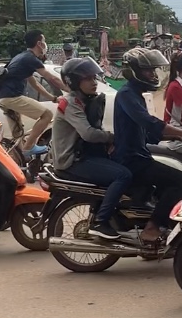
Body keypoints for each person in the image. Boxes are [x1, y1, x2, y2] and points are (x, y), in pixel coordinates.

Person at [112, 47, 182, 247]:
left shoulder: (136, 94)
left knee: (167, 183)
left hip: (140, 154)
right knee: (181, 182)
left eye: (153, 70)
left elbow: (150, 133)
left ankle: (161, 226)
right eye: (148, 71)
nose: (153, 75)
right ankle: (152, 228)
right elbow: (149, 122)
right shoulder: (126, 94)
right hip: (131, 159)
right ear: (134, 71)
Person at [51, 57, 132, 241]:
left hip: (84, 155)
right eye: (88, 79)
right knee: (122, 175)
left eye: (94, 78)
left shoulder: (85, 100)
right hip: (72, 160)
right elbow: (88, 134)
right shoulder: (70, 103)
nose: (94, 82)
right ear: (74, 82)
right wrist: (113, 137)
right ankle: (100, 222)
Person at [0, 30, 65, 152]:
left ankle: (22, 157)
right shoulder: (30, 59)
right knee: (47, 115)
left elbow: (35, 84)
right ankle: (29, 147)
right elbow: (52, 78)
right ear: (39, 44)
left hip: (3, 98)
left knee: (18, 136)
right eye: (44, 41)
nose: (45, 44)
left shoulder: (21, 57)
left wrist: (53, 98)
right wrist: (72, 90)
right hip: (12, 97)